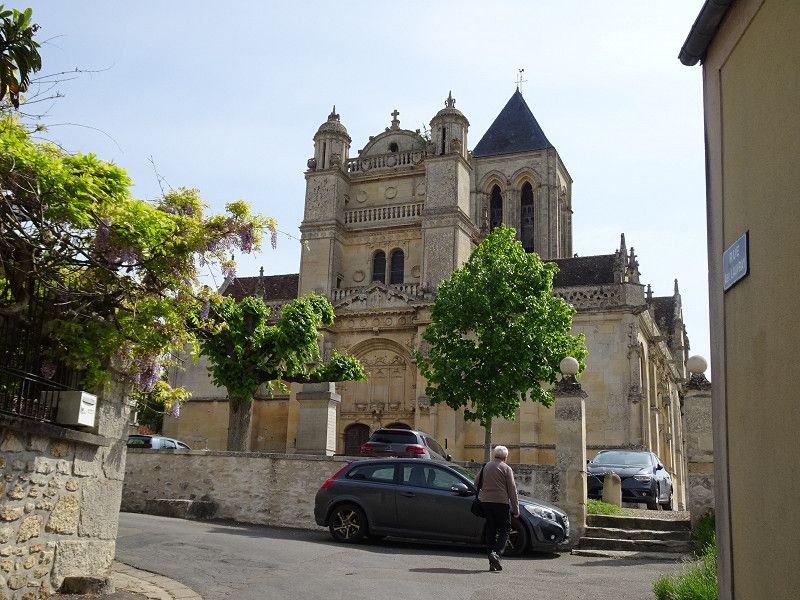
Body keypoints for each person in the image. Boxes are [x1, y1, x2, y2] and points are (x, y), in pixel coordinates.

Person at [475, 445, 519, 572]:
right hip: (501, 503)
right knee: (505, 529)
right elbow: (512, 490)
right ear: (505, 457)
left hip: (486, 502)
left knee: (491, 530)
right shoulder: (506, 468)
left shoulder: (486, 466)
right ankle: (497, 553)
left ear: (494, 455)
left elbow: (476, 483)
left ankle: (491, 562)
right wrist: (516, 509)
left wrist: (487, 489)